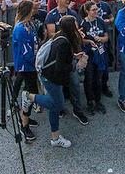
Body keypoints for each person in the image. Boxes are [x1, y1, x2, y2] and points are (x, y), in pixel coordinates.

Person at [18, 15, 83, 149]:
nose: (78, 27)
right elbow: (60, 66)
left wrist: (74, 56)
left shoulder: (60, 36)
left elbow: (58, 57)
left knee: (55, 106)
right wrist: (77, 64)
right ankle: (29, 96)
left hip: (49, 75)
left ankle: (55, 137)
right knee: (57, 104)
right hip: (50, 77)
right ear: (71, 27)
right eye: (76, 25)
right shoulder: (64, 42)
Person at [10, 0, 40, 143]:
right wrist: (36, 62)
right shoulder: (21, 28)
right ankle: (24, 125)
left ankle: (25, 116)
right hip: (27, 66)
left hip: (31, 64)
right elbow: (25, 52)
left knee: (30, 92)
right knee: (30, 94)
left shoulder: (30, 24)